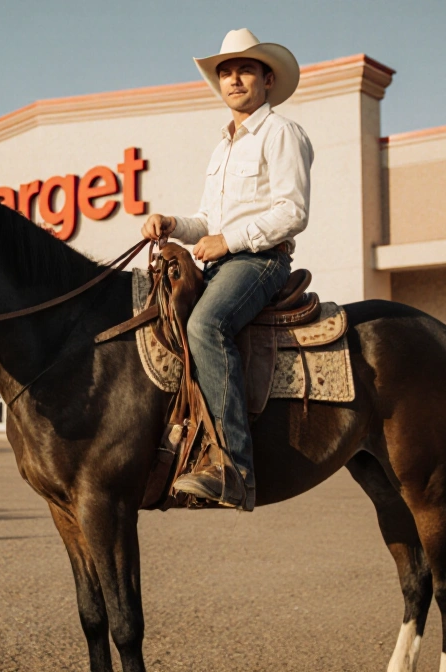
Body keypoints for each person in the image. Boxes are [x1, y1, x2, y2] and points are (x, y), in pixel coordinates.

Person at [140, 29, 314, 511]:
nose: (233, 79)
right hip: (224, 258)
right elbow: (209, 222)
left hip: (260, 260)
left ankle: (233, 468)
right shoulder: (223, 147)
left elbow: (292, 210)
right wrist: (174, 223)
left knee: (206, 324)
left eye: (243, 69)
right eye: (225, 72)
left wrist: (228, 241)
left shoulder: (280, 133)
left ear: (267, 78)